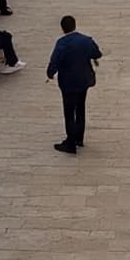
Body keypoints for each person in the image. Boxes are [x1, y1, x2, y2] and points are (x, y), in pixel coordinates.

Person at [46, 15, 102, 155]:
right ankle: (79, 138)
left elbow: (55, 61)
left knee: (69, 112)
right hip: (83, 80)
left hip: (68, 82)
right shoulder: (86, 40)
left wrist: (50, 73)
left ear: (62, 28)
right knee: (80, 108)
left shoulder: (61, 43)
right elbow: (97, 53)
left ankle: (70, 143)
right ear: (75, 25)